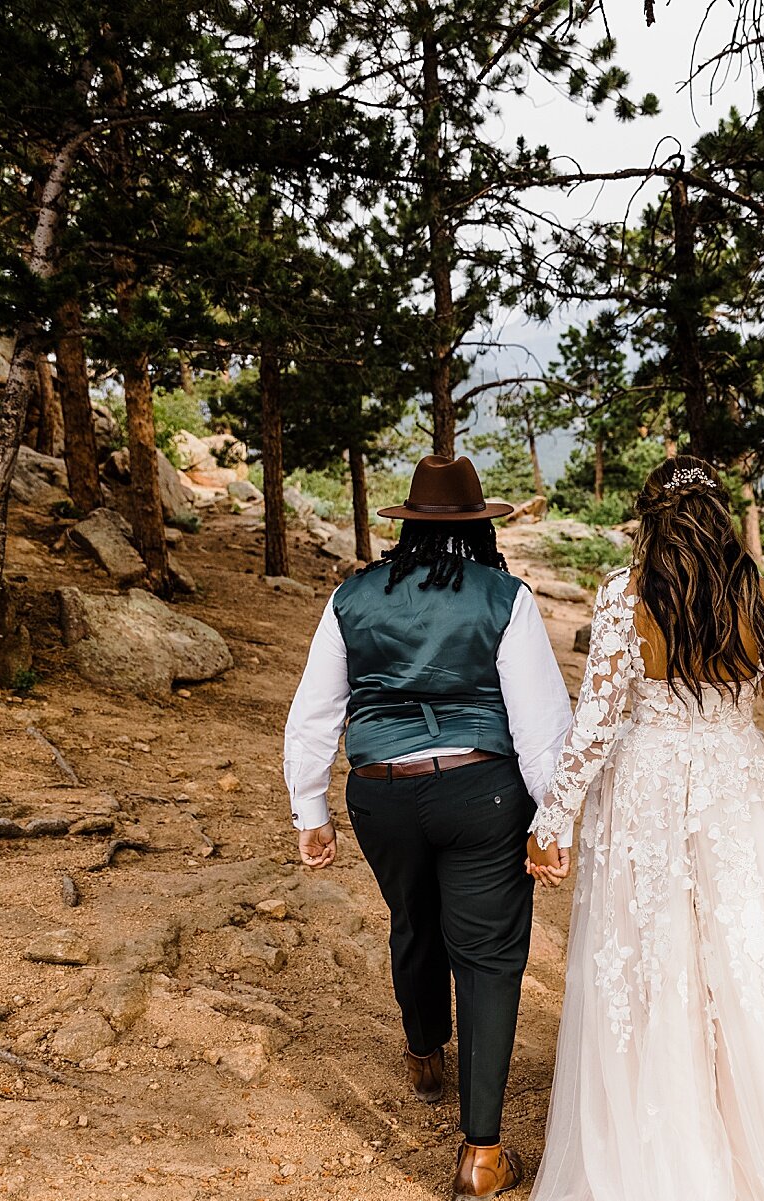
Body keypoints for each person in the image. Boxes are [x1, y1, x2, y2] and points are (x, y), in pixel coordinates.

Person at [524, 456, 764, 1200]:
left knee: (657, 961)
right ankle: (760, 1144)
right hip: (740, 792)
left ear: (650, 518)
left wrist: (553, 818)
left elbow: (596, 724)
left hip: (647, 790)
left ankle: (665, 1145)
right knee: (746, 961)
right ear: (722, 516)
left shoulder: (623, 596)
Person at [283, 454, 570, 1200]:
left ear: (407, 527)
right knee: (488, 954)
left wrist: (309, 809)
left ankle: (422, 1053)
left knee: (413, 919)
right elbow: (542, 729)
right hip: (482, 794)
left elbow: (314, 711)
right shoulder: (503, 596)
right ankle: (480, 1153)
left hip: (380, 792)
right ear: (480, 528)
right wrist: (554, 819)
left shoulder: (352, 596)